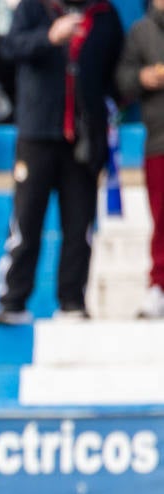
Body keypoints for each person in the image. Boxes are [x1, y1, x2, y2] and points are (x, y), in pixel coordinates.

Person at [0, 0, 123, 324]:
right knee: (26, 219)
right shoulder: (32, 9)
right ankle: (13, 301)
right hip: (37, 132)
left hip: (83, 137)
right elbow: (6, 49)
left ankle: (72, 300)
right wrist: (48, 37)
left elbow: (117, 70)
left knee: (80, 224)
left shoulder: (104, 15)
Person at [117, 0, 164, 317]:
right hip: (160, 139)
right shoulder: (140, 31)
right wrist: (142, 77)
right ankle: (159, 285)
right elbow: (122, 78)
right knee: (161, 218)